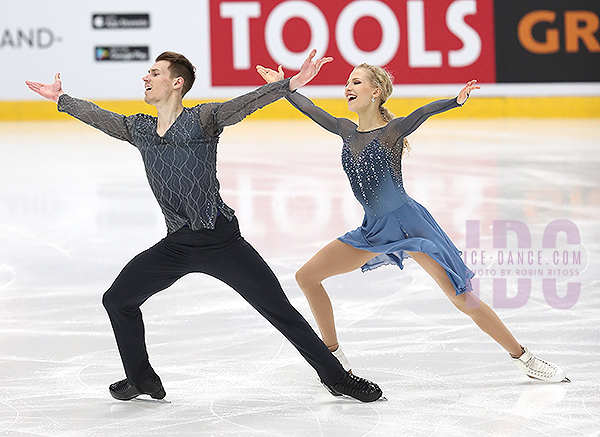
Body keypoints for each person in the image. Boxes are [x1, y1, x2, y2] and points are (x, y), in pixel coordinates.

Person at [25, 50, 383, 402]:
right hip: (177, 244)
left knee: (279, 310)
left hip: (221, 239)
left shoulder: (203, 120)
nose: (145, 78)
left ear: (176, 83)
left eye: (154, 73)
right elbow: (102, 118)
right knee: (117, 300)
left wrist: (292, 83)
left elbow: (244, 104)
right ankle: (141, 379)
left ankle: (336, 378)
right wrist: (62, 99)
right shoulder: (141, 128)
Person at [256, 58, 569, 383]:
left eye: (357, 82)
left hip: (410, 226)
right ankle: (334, 358)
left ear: (376, 92)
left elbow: (421, 113)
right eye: (348, 82)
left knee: (463, 298)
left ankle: (524, 357)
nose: (348, 87)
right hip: (373, 229)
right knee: (307, 277)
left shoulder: (391, 132)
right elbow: (308, 108)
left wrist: (455, 101)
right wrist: (283, 85)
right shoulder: (345, 130)